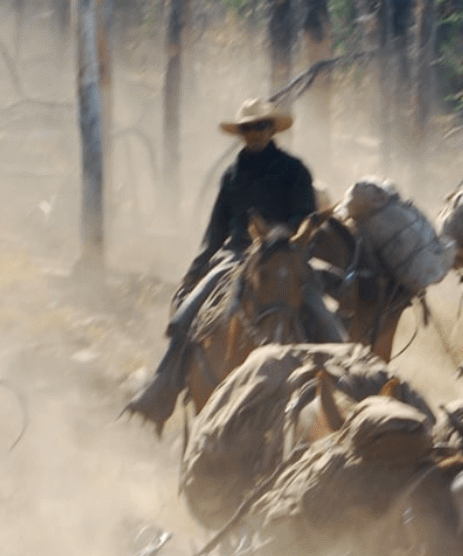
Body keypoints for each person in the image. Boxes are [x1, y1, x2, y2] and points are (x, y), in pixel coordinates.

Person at [126, 98, 339, 430]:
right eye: (248, 128)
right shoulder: (231, 176)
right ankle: (161, 389)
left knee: (323, 316)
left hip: (284, 253)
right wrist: (195, 272)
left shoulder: (294, 170)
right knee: (186, 316)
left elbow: (304, 215)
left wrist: (276, 235)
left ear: (271, 129)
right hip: (236, 255)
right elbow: (216, 231)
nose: (254, 133)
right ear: (241, 133)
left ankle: (346, 391)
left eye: (260, 126)